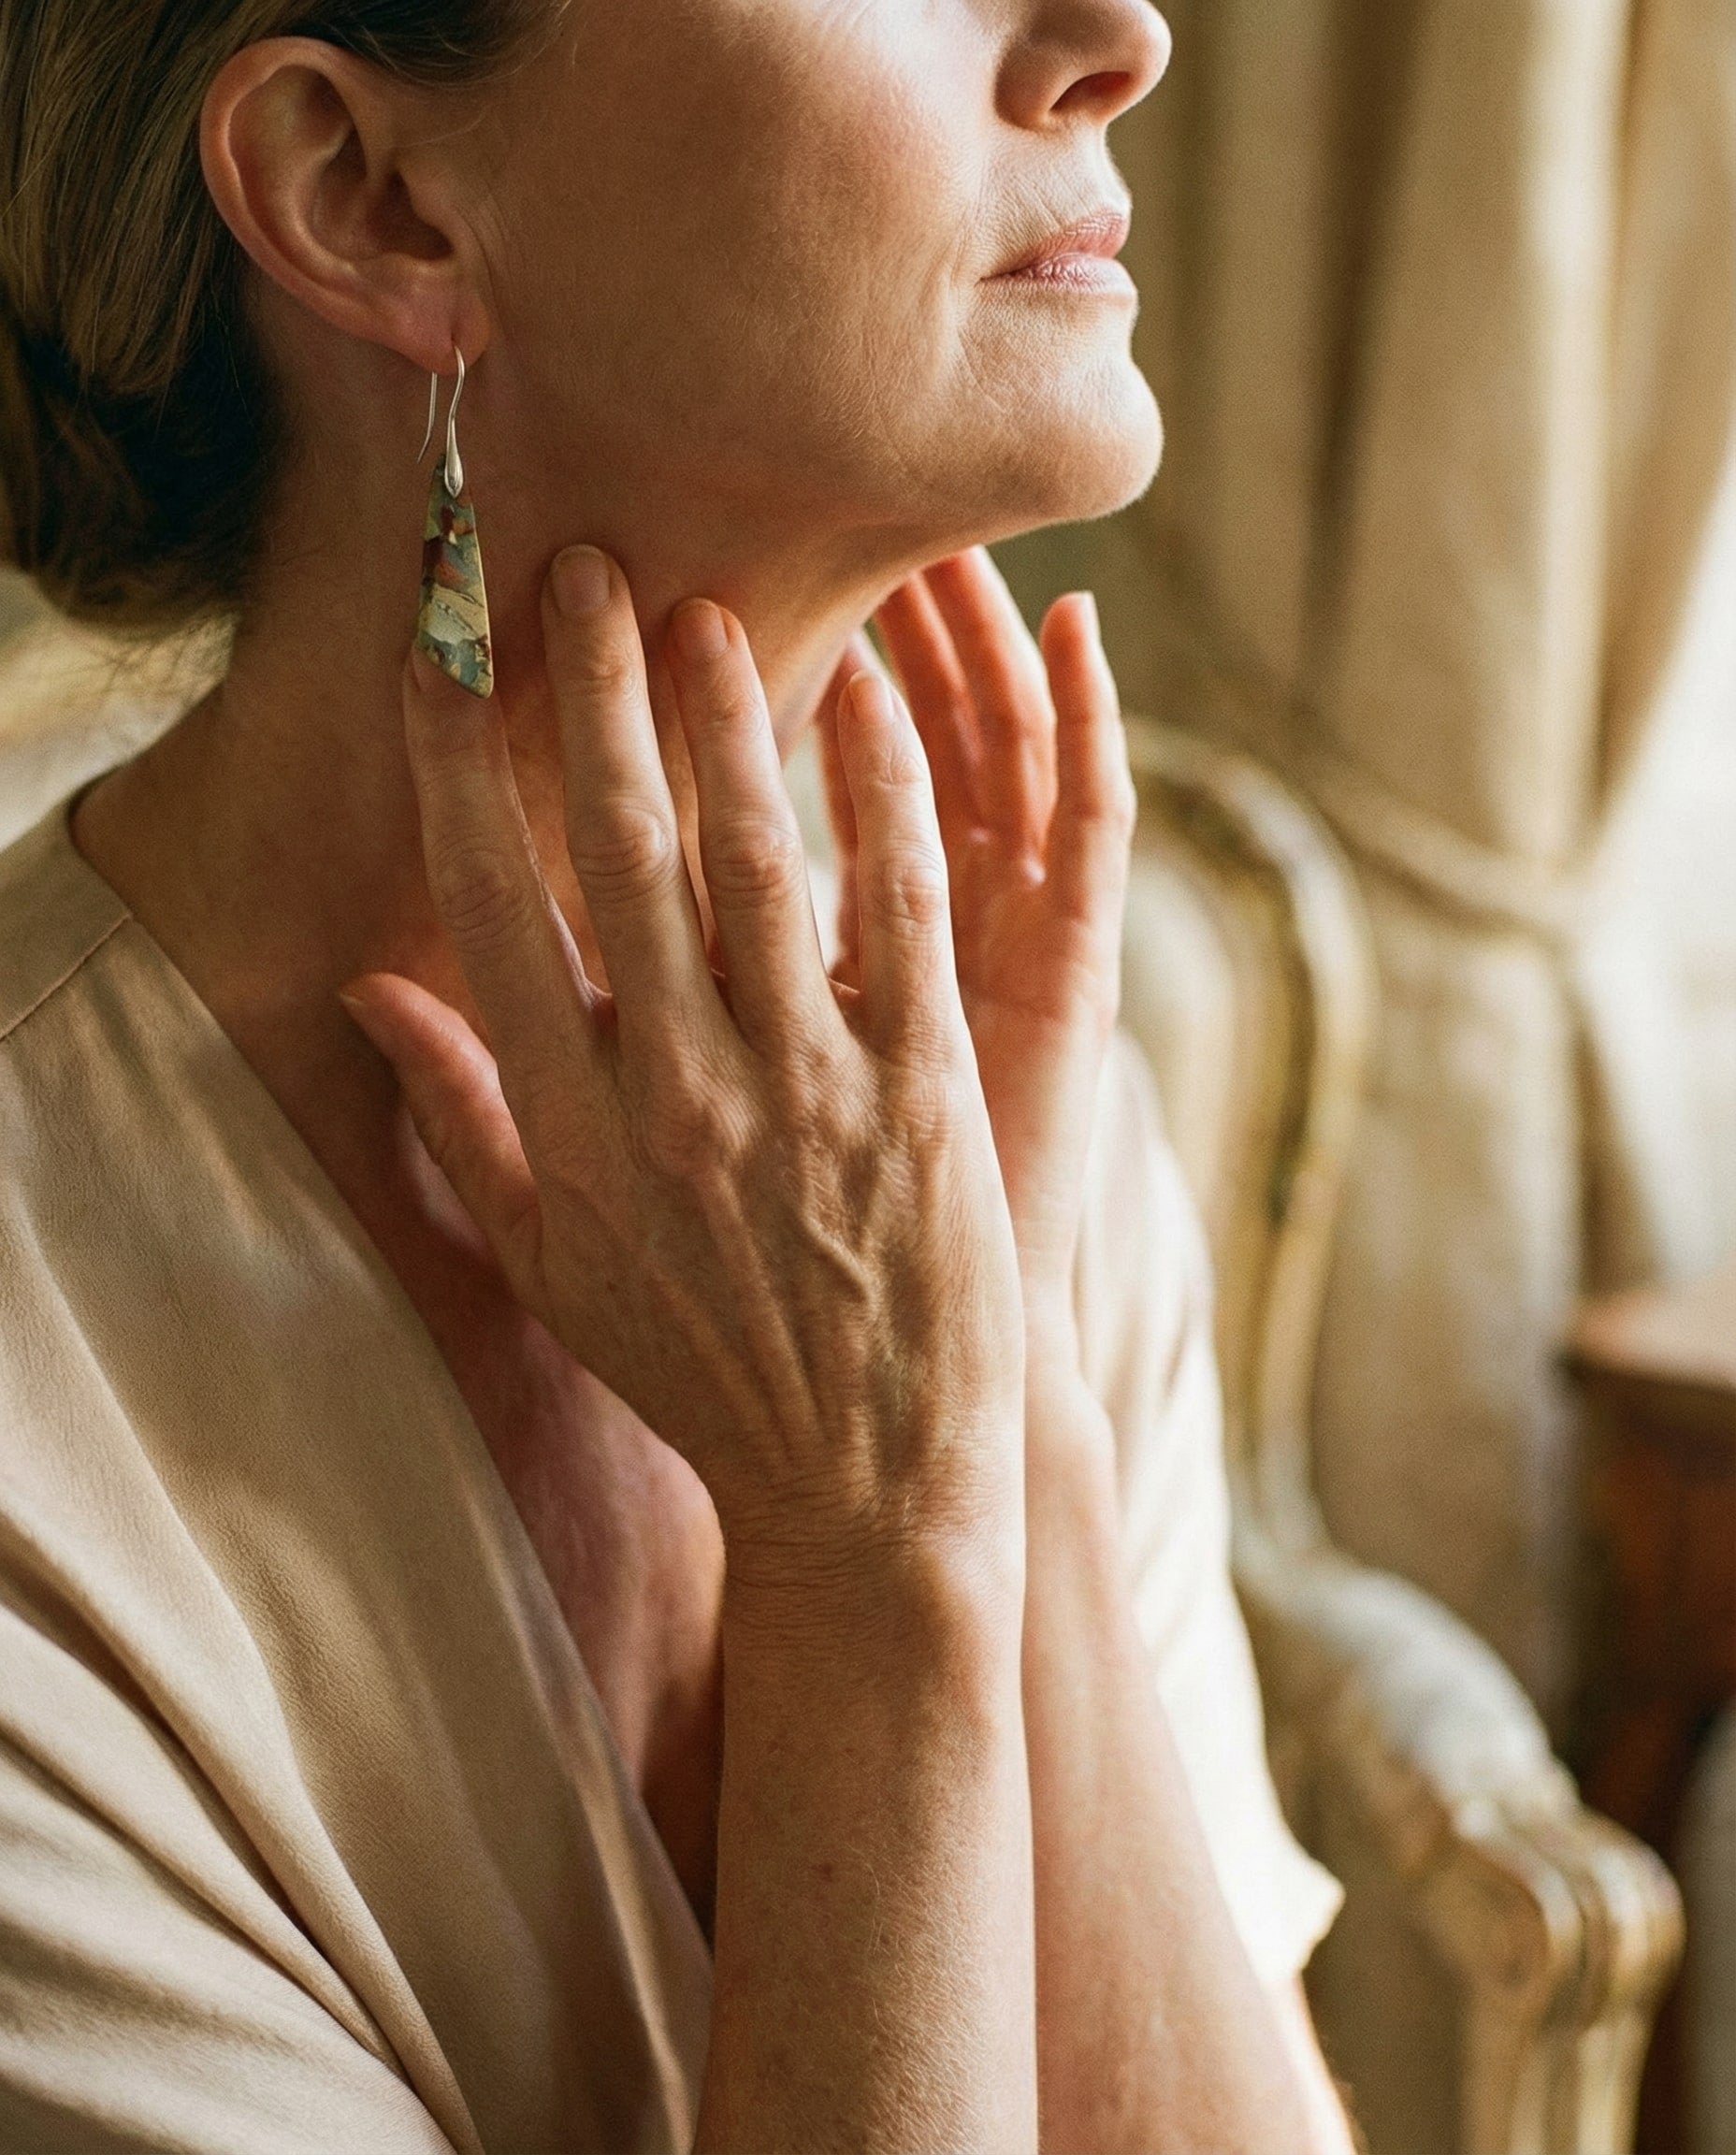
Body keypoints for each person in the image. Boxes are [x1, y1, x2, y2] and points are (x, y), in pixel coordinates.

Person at [0, 1, 1355, 2148]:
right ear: (374, 193)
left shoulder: (967, 1114)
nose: (1118, 36)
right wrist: (877, 1563)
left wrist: (1016, 1438)